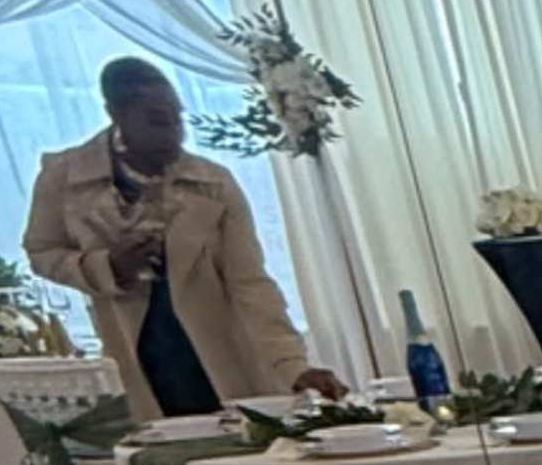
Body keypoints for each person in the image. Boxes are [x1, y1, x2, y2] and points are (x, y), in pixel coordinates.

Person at [23, 61, 338, 413]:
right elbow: (42, 252)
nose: (174, 133)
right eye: (157, 120)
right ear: (116, 114)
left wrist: (292, 365)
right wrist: (107, 267)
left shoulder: (212, 183)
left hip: (221, 353)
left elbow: (250, 283)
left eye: (178, 118)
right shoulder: (65, 178)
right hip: (136, 352)